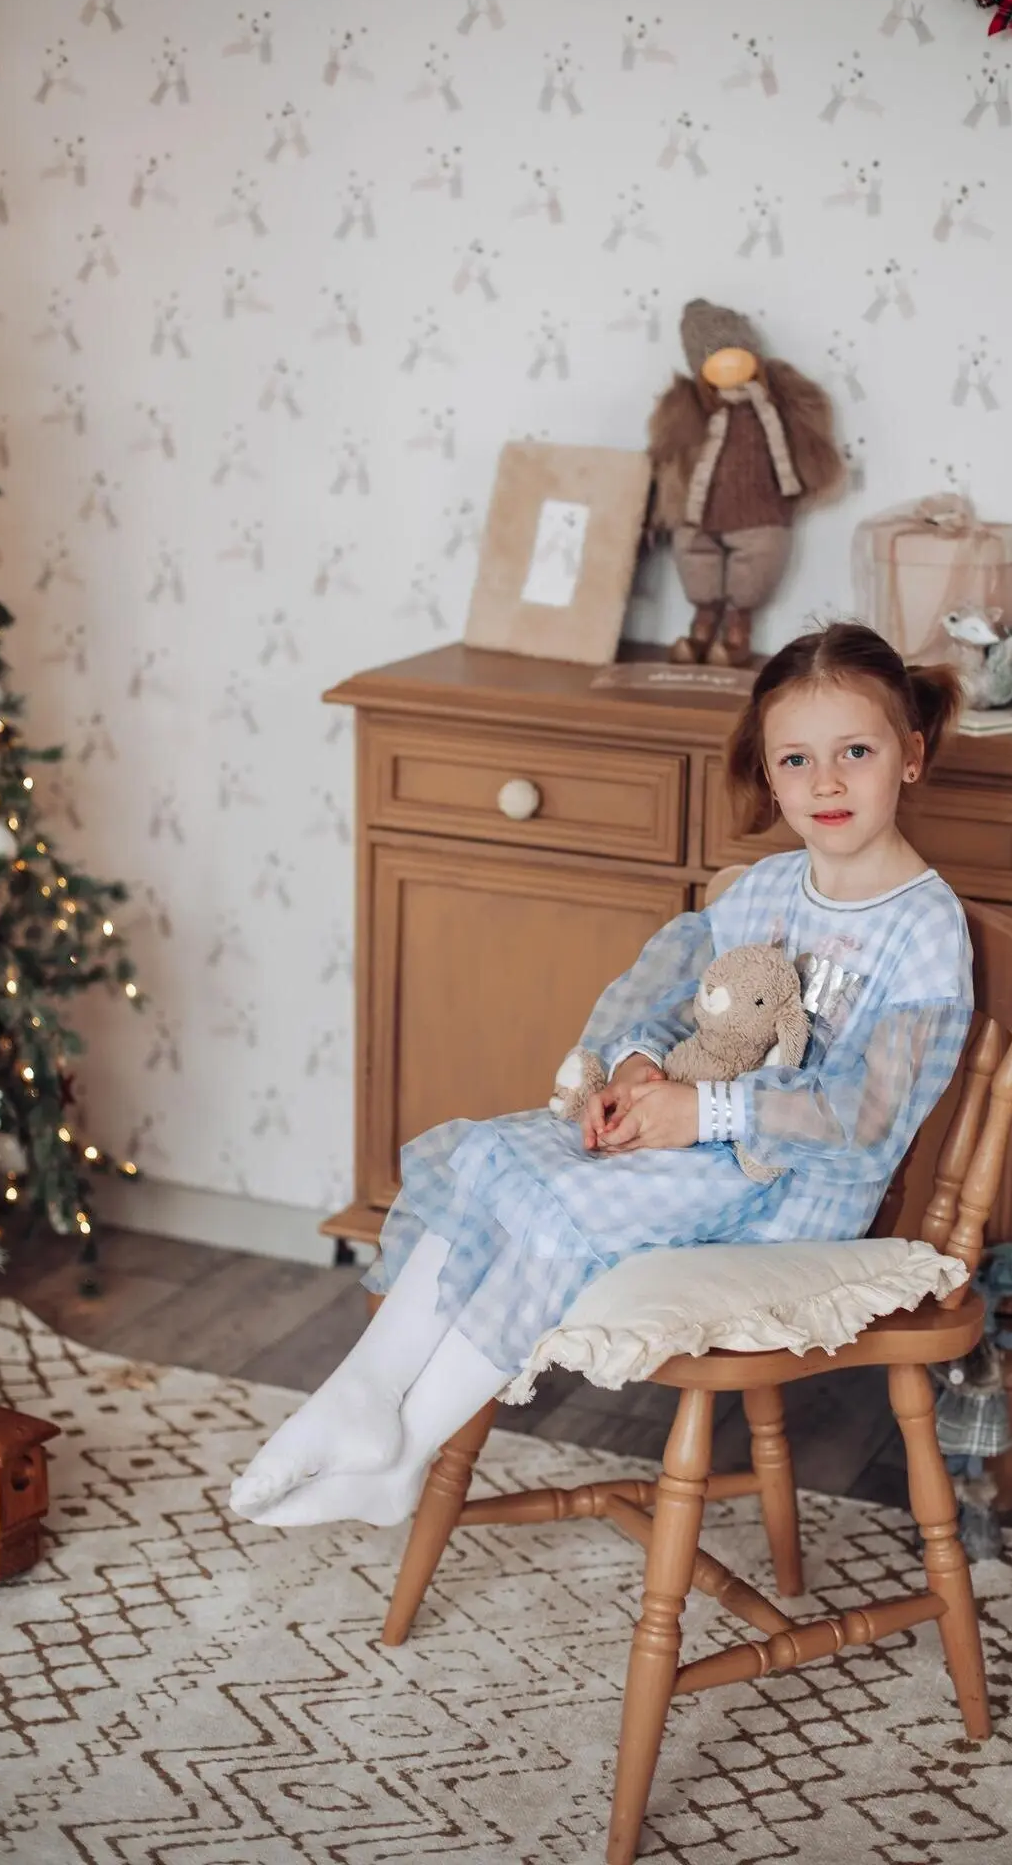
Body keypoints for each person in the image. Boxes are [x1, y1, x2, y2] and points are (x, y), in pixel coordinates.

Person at [230, 622, 972, 1530]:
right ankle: (366, 1399)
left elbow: (869, 1116)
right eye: (795, 760)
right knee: (490, 1160)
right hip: (695, 1144)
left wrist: (701, 1112)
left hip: (792, 1194)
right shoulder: (764, 891)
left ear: (909, 756)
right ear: (769, 773)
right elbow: (663, 997)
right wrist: (635, 1069)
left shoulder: (923, 930)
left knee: (555, 1209)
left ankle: (409, 1443)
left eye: (854, 751)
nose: (824, 782)